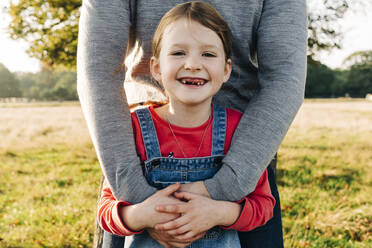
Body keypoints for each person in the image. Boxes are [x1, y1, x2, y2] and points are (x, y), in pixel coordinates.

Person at [77, 0, 307, 247]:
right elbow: (98, 69)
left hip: (245, 151)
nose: (193, 65)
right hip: (130, 156)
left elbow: (285, 76)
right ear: (155, 67)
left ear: (227, 69)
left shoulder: (233, 130)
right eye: (178, 53)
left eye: (207, 54)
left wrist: (223, 198)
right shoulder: (136, 134)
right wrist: (141, 205)